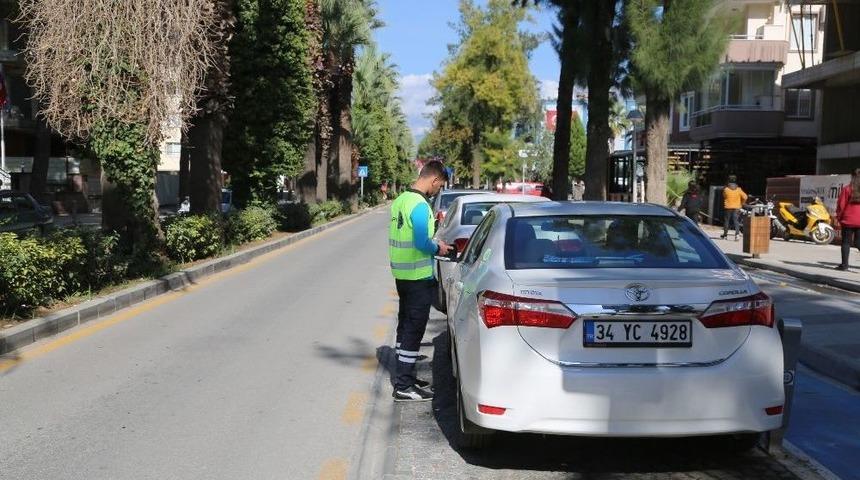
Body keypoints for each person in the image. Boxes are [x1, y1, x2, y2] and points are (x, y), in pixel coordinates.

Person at [388, 160, 453, 401]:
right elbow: (421, 243)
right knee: (414, 329)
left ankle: (405, 375)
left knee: (404, 326)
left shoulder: (401, 200)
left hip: (402, 275)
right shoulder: (420, 205)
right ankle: (404, 386)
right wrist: (440, 247)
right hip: (417, 277)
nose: (438, 190)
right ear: (434, 180)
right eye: (440, 186)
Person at [835, 168, 860, 271]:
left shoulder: (847, 189)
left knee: (846, 242)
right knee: (858, 243)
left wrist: (839, 217)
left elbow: (841, 205)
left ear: (852, 177)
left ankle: (844, 265)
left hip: (848, 220)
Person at [721, 175, 747, 241]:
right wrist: (742, 203)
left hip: (728, 207)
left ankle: (725, 235)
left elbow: (724, 196)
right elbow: (745, 197)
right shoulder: (739, 189)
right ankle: (737, 235)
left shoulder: (726, 189)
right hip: (737, 207)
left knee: (727, 221)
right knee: (736, 221)